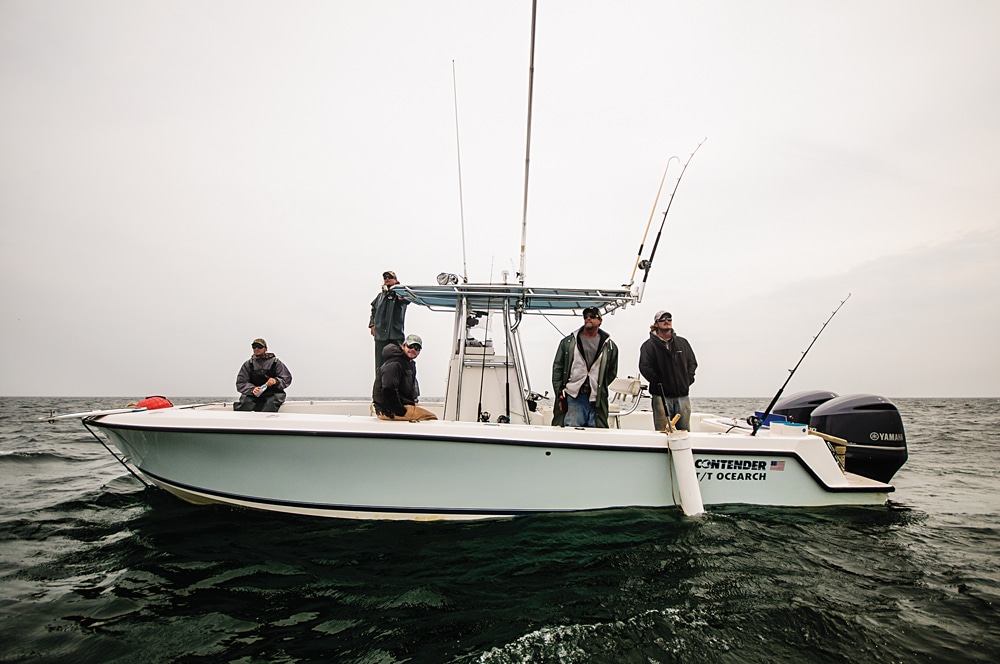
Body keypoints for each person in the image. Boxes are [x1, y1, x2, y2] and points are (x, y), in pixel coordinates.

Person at [551, 307, 619, 428]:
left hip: (597, 398)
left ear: (600, 321)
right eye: (585, 316)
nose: (588, 318)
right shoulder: (568, 342)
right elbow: (558, 369)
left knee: (597, 434)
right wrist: (559, 394)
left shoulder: (610, 346)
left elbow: (611, 372)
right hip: (573, 396)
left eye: (592, 316)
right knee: (571, 430)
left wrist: (599, 386)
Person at [638, 311, 698, 432]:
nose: (666, 321)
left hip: (683, 396)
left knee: (684, 432)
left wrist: (687, 380)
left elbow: (692, 363)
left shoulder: (683, 343)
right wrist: (659, 382)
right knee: (662, 431)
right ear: (656, 323)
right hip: (661, 397)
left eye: (669, 319)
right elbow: (645, 367)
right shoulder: (648, 346)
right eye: (662, 319)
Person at [372, 334, 437, 422]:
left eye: (417, 348)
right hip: (388, 410)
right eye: (410, 346)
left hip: (398, 407)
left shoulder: (409, 364)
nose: (413, 350)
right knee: (431, 418)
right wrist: (400, 411)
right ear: (403, 346)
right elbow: (388, 389)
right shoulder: (394, 364)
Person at [235, 338, 293, 412]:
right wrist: (252, 389)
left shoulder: (276, 362)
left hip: (273, 393)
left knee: (271, 403)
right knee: (245, 402)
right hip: (253, 394)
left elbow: (286, 378)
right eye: (254, 346)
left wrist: (276, 381)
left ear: (265, 348)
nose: (256, 349)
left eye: (259, 346)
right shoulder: (248, 364)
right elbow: (241, 383)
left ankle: (267, 422)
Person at [369, 270, 408, 370]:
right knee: (380, 365)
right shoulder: (380, 296)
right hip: (380, 335)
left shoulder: (400, 292)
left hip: (395, 334)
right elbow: (373, 309)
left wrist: (401, 295)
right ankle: (380, 383)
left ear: (395, 280)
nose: (387, 279)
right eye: (385, 278)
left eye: (389, 277)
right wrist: (372, 324)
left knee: (398, 362)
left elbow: (406, 300)